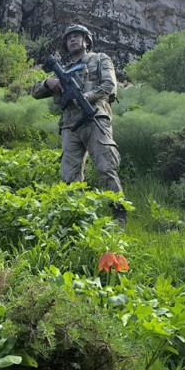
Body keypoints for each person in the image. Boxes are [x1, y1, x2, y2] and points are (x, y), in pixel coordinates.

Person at [31, 25, 126, 225]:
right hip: (70, 126)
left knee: (105, 167)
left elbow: (109, 86)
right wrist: (48, 83)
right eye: (69, 38)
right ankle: (77, 218)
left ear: (86, 41)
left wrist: (88, 96)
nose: (72, 40)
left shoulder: (100, 59)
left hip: (94, 118)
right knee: (69, 175)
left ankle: (119, 213)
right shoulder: (62, 73)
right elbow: (35, 92)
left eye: (77, 36)